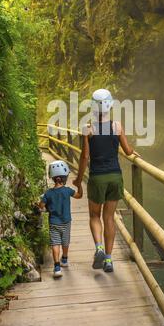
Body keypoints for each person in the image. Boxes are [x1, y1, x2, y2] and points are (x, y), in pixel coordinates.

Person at [73, 89, 139, 273]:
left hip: (97, 178)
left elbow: (85, 157)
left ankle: (99, 249)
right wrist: (134, 152)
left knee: (95, 216)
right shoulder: (117, 126)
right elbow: (127, 150)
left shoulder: (87, 129)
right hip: (115, 176)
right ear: (110, 105)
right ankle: (109, 260)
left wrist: (78, 181)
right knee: (109, 217)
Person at [39, 160, 83, 278]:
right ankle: (64, 259)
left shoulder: (48, 193)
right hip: (66, 222)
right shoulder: (68, 190)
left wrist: (40, 203)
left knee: (55, 243)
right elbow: (79, 196)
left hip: (53, 222)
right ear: (64, 177)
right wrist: (79, 185)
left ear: (52, 178)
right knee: (65, 241)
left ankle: (57, 267)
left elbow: (41, 206)